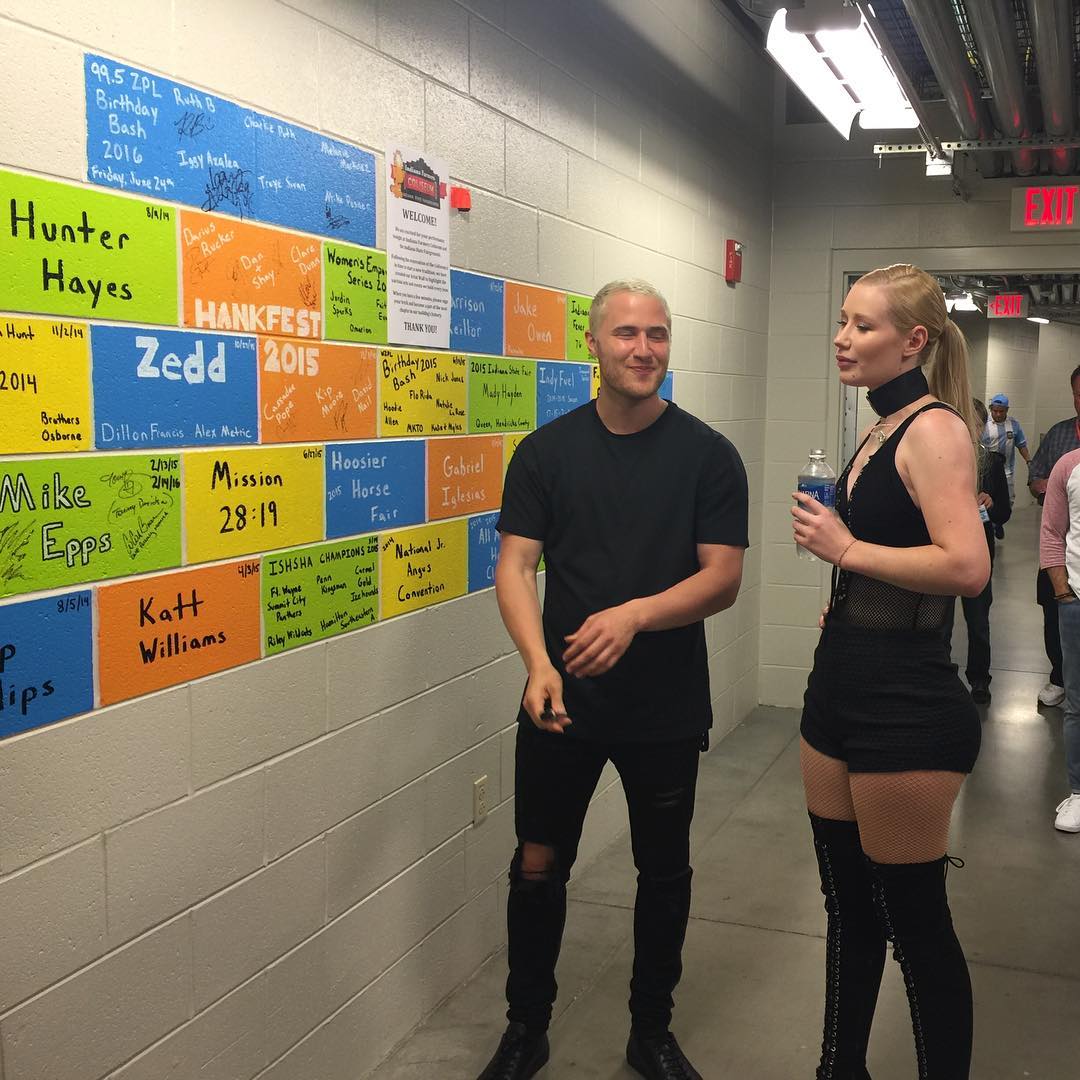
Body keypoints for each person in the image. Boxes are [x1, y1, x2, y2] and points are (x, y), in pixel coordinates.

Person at [479, 279, 748, 1080]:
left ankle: (650, 1032)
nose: (644, 350)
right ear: (590, 345)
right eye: (627, 334)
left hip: (663, 707)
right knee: (537, 864)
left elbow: (722, 579)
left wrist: (634, 615)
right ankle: (526, 1028)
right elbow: (516, 565)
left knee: (662, 871)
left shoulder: (708, 455)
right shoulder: (546, 452)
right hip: (561, 701)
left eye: (658, 335)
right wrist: (537, 664)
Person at [792, 264, 990, 1079]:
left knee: (915, 927)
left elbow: (966, 567)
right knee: (847, 909)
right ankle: (840, 1068)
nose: (843, 338)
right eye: (842, 320)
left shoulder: (935, 429)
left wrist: (846, 550)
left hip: (904, 705)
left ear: (913, 341)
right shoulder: (882, 424)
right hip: (840, 683)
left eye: (863, 326)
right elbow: (900, 558)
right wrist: (852, 592)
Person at [946, 399, 1011, 704]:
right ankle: (940, 676)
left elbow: (1004, 515)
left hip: (978, 554)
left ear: (982, 426)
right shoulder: (939, 459)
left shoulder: (993, 463)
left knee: (978, 620)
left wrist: (992, 503)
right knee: (939, 619)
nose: (966, 428)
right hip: (941, 552)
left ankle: (979, 679)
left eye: (973, 423)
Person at [1027, 364, 1080, 708]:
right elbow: (1036, 478)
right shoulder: (1060, 436)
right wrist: (1042, 486)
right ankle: (1060, 676)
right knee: (1053, 612)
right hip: (1059, 544)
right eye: (1079, 395)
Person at [1037, 447, 1080, 833]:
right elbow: (1052, 531)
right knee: (1077, 703)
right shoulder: (1068, 466)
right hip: (1077, 602)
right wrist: (1063, 593)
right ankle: (1079, 793)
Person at [981, 393, 1028, 539]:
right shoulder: (984, 425)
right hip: (987, 470)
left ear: (1007, 410)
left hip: (1006, 470)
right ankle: (989, 525)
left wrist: (1029, 460)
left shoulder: (1013, 425)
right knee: (987, 499)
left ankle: (998, 523)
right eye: (995, 411)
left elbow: (1021, 444)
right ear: (991, 409)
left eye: (1001, 411)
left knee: (1007, 500)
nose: (998, 414)